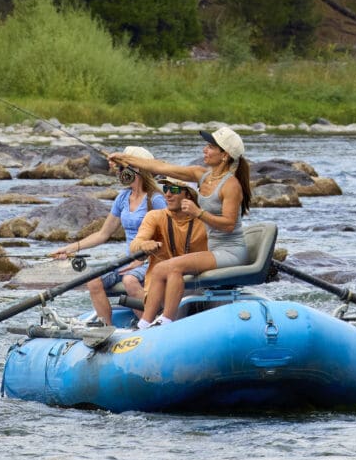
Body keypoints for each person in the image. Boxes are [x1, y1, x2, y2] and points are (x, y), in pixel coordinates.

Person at [110, 126, 252, 327]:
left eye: (211, 147)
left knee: (173, 267)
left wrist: (198, 213)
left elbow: (229, 225)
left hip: (229, 251)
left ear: (225, 155)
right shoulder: (202, 175)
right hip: (215, 250)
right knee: (160, 269)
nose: (205, 150)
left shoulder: (231, 186)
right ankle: (145, 324)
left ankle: (166, 321)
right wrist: (125, 159)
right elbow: (161, 166)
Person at [49, 146, 165, 325]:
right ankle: (107, 328)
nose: (118, 173)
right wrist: (70, 248)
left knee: (129, 280)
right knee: (93, 279)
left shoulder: (156, 199)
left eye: (121, 168)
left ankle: (149, 325)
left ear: (138, 169)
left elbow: (170, 234)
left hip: (151, 261)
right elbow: (103, 234)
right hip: (128, 260)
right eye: (118, 169)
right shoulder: (122, 198)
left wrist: (142, 259)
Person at [130, 178, 209, 297]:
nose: (167, 195)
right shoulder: (154, 216)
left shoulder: (206, 219)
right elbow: (134, 245)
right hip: (162, 287)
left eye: (174, 189)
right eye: (166, 189)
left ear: (189, 194)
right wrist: (143, 245)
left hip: (197, 283)